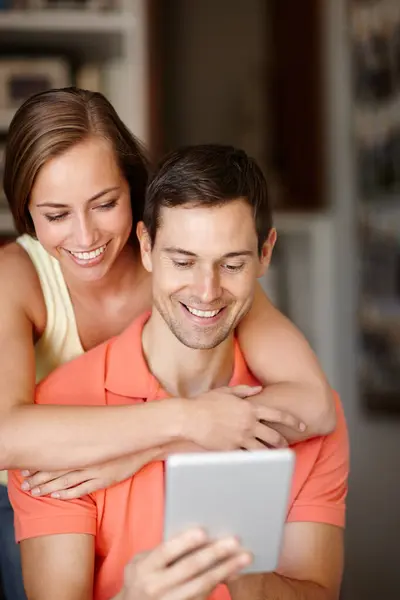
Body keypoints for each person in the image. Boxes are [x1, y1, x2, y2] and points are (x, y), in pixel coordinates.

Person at [0, 87, 334, 599]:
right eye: (56, 214)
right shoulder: (16, 278)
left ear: (135, 194)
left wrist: (148, 451)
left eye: (105, 204)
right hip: (51, 484)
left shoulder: (189, 264)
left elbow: (314, 403)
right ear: (26, 212)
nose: (85, 236)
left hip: (139, 471)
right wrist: (186, 419)